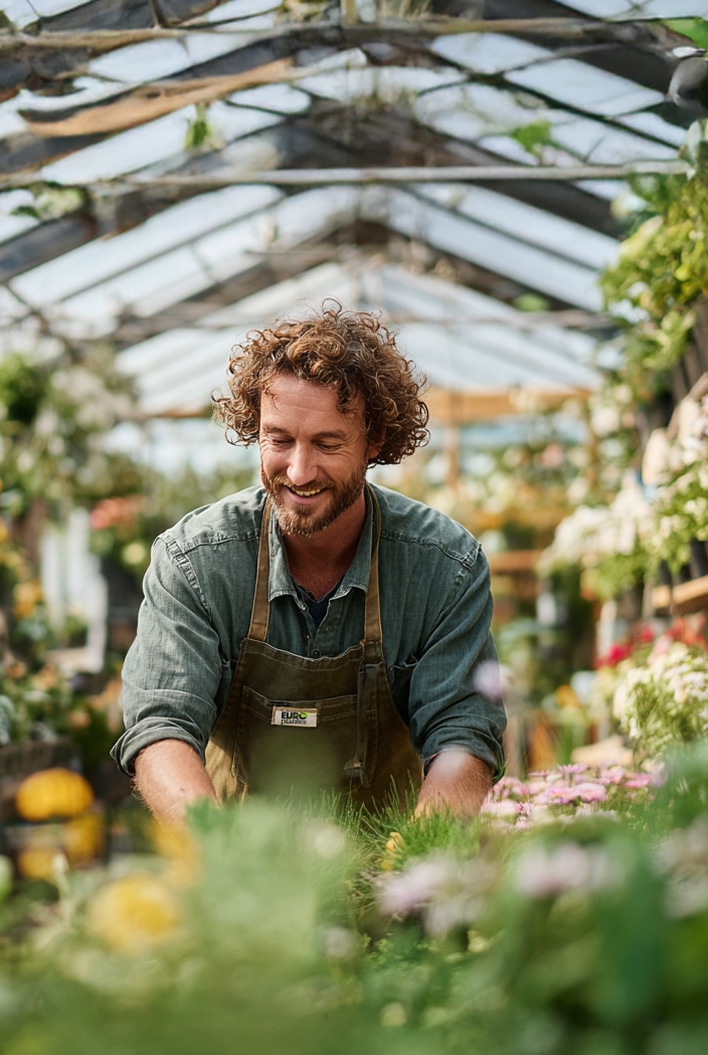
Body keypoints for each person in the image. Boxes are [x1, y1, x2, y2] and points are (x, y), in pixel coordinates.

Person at [113, 304, 505, 824]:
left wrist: (415, 865)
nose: (298, 471)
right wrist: (219, 849)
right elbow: (161, 725)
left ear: (375, 442)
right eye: (279, 440)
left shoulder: (443, 568)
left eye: (327, 443)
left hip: (390, 867)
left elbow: (463, 731)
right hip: (240, 869)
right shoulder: (196, 563)